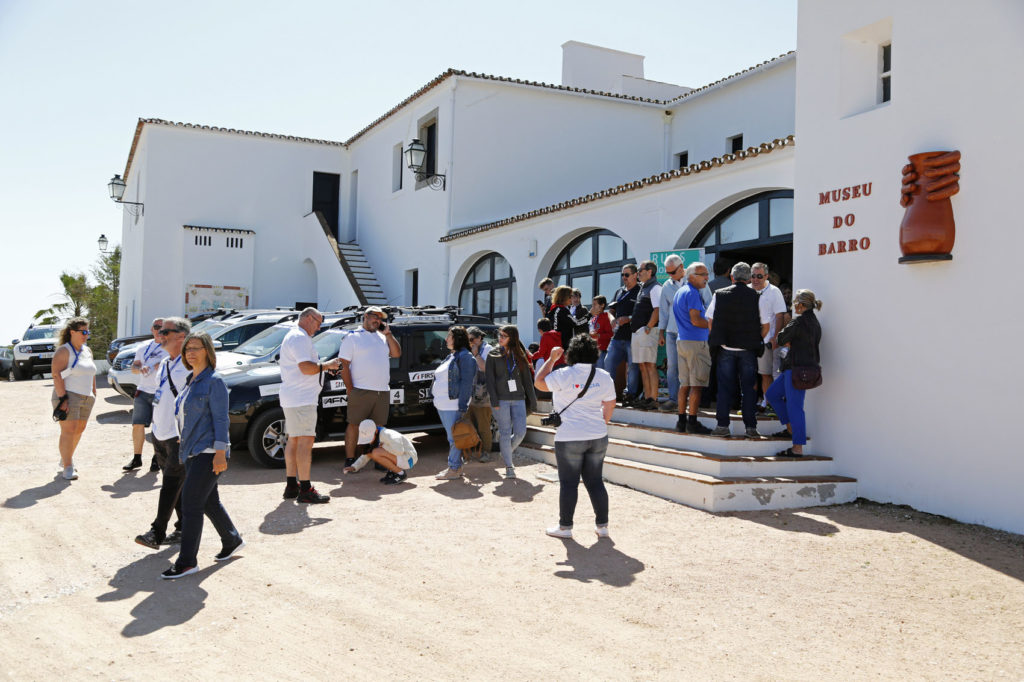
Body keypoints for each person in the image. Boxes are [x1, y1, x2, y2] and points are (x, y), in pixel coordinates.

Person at [161, 331, 243, 579]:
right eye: (187, 349)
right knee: (208, 501)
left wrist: (221, 452)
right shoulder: (191, 380)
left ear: (208, 350)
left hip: (209, 451)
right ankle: (232, 539)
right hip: (192, 450)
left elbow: (221, 419)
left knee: (191, 504)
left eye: (196, 348)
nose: (190, 352)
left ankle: (187, 562)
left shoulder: (214, 381)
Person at [535, 335, 617, 540]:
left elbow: (539, 382)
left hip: (569, 436)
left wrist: (551, 359)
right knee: (596, 481)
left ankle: (565, 527)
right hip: (597, 434)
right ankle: (602, 526)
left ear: (571, 353)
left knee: (569, 483)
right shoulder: (604, 376)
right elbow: (610, 404)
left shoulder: (563, 374)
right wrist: (601, 424)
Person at [135, 316, 191, 549]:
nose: (160, 335)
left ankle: (157, 532)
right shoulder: (166, 364)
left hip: (179, 435)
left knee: (170, 483)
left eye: (165, 331)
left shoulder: (190, 364)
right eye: (158, 330)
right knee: (178, 485)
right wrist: (155, 431)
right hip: (161, 432)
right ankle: (183, 528)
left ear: (181, 336)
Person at [279, 308, 342, 503]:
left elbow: (306, 366)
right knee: (305, 443)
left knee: (294, 440)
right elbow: (306, 368)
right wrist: (326, 366)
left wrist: (323, 368)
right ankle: (305, 489)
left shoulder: (295, 336)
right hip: (302, 399)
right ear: (307, 318)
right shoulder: (299, 338)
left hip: (294, 397)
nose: (319, 326)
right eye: (318, 322)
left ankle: (292, 485)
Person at [705, 262, 770, 439]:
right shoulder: (757, 296)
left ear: (732, 278)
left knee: (724, 388)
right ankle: (750, 428)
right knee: (749, 389)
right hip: (748, 349)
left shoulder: (719, 295)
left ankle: (722, 426)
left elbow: (709, 320)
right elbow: (766, 325)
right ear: (749, 279)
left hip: (726, 348)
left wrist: (719, 337)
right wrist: (756, 339)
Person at [339, 306, 402, 470]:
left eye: (380, 318)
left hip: (382, 390)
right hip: (360, 389)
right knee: (354, 425)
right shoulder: (352, 337)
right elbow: (343, 366)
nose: (378, 321)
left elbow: (396, 354)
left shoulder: (382, 337)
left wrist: (388, 334)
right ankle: (350, 459)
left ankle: (377, 458)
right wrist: (350, 389)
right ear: (366, 316)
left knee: (378, 429)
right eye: (375, 317)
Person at [767, 290, 823, 457]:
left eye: (794, 303)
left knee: (795, 407)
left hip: (796, 369)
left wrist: (787, 331)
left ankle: (797, 447)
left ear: (800, 305)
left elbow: (780, 339)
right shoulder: (815, 323)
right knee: (772, 394)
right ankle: (791, 427)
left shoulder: (798, 323)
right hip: (801, 368)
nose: (793, 306)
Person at [485, 325, 538, 478]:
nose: (500, 338)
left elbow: (527, 380)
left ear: (512, 338)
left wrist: (533, 401)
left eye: (504, 336)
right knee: (505, 433)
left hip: (519, 399)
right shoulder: (493, 355)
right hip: (500, 401)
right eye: (499, 335)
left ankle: (506, 450)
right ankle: (509, 466)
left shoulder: (519, 355)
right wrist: (494, 401)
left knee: (521, 432)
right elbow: (490, 381)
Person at [50, 316, 96, 481]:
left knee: (79, 430)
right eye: (83, 332)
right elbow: (56, 375)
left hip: (86, 397)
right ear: (72, 332)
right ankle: (68, 466)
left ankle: (66, 457)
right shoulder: (64, 351)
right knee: (69, 431)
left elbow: (92, 373)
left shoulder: (87, 350)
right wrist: (63, 399)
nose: (86, 335)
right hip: (68, 395)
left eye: (87, 332)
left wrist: (94, 393)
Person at [671, 262, 713, 435]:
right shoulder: (693, 293)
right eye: (703, 274)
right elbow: (696, 320)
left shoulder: (680, 292)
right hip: (695, 343)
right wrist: (714, 326)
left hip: (683, 342)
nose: (706, 277)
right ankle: (692, 422)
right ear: (691, 276)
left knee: (685, 384)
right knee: (697, 385)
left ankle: (681, 422)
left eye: (706, 273)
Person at [433, 326, 478, 480]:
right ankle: (456, 468)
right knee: (452, 437)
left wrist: (462, 406)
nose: (446, 339)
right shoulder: (452, 356)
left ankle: (453, 469)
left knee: (454, 438)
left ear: (457, 338)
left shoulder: (466, 357)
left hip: (453, 405)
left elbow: (467, 383)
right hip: (444, 404)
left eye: (449, 336)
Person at [124, 317, 167, 472]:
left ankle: (157, 458)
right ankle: (137, 458)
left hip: (161, 393)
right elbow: (134, 368)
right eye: (156, 326)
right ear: (151, 329)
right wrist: (139, 368)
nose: (159, 330)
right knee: (137, 425)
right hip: (143, 390)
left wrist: (158, 364)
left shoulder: (170, 347)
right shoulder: (143, 348)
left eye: (163, 328)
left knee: (157, 427)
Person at [751, 263, 788, 414]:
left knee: (771, 373)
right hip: (750, 341)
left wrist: (775, 337)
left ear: (766, 276)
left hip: (768, 341)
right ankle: (759, 402)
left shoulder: (774, 291)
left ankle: (772, 403)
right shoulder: (747, 290)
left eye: (759, 276)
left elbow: (780, 315)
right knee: (755, 373)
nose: (755, 279)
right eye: (753, 276)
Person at [604, 263, 641, 402]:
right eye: (622, 275)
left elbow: (644, 313)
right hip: (617, 336)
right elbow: (611, 311)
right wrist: (612, 319)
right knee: (608, 363)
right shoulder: (619, 291)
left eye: (627, 275)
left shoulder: (640, 291)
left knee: (633, 367)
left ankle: (630, 394)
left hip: (633, 335)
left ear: (635, 275)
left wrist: (629, 319)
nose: (624, 277)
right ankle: (608, 394)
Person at [629, 260, 662, 410]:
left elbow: (658, 310)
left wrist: (648, 327)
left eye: (640, 269)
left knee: (650, 365)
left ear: (650, 272)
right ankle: (647, 397)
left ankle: (653, 398)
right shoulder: (644, 288)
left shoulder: (655, 288)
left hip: (647, 331)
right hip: (637, 332)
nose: (638, 272)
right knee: (642, 365)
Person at [343, 419, 418, 483]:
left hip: (409, 459)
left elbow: (399, 451)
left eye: (369, 438)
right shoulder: (377, 435)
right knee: (373, 451)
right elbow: (367, 453)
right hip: (402, 458)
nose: (368, 441)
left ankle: (400, 474)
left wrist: (382, 446)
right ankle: (393, 472)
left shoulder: (388, 434)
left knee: (376, 452)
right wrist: (354, 467)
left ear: (375, 431)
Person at [657, 254, 686, 412]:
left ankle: (688, 400)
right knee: (672, 367)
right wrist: (661, 332)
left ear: (682, 267)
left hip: (690, 333)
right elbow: (663, 311)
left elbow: (707, 304)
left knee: (689, 368)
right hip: (671, 332)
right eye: (668, 272)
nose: (670, 276)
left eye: (672, 272)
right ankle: (674, 399)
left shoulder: (694, 280)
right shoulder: (667, 286)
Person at [466, 326, 495, 462]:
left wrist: (476, 354)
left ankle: (486, 452)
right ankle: (472, 451)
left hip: (483, 393)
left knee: (483, 425)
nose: (470, 342)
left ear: (479, 338)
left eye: (472, 339)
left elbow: (485, 368)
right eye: (467, 340)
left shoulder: (488, 349)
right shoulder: (468, 349)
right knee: (468, 423)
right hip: (469, 392)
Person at [589, 295, 614, 368]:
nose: (592, 306)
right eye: (592, 304)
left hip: (602, 351)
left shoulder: (606, 316)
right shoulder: (593, 318)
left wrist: (599, 335)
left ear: (602, 305)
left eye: (595, 304)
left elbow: (611, 334)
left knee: (600, 373)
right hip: (592, 351)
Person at [549, 285, 576, 350]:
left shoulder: (553, 309)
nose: (572, 298)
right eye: (570, 296)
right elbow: (576, 323)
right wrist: (589, 315)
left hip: (555, 345)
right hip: (563, 346)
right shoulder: (563, 310)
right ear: (564, 297)